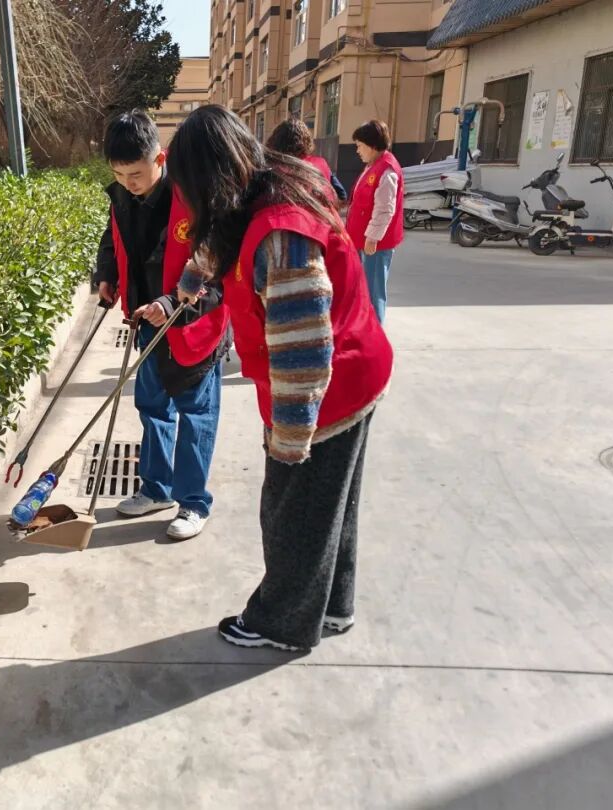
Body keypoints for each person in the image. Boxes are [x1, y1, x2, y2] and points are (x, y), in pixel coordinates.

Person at [167, 105, 392, 652]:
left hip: (330, 386)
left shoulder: (279, 234)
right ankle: (332, 607)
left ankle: (282, 624)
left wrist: (289, 440)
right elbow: (220, 240)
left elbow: (305, 351)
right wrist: (188, 286)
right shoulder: (265, 185)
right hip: (358, 370)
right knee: (331, 508)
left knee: (293, 515)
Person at [93, 111, 232, 540]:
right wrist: (107, 276)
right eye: (119, 174)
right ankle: (156, 489)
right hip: (149, 325)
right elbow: (112, 240)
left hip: (193, 327)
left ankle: (193, 502)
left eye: (135, 173)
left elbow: (216, 277)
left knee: (195, 414)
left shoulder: (196, 197)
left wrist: (171, 303)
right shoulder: (122, 197)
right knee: (152, 408)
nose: (128, 183)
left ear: (160, 158)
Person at [345, 119, 404, 323]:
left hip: (375, 245)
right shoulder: (372, 166)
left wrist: (372, 238)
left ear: (372, 145)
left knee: (374, 290)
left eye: (359, 146)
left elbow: (385, 209)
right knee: (363, 289)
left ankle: (375, 331)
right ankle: (365, 330)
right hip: (363, 240)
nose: (357, 151)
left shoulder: (387, 170)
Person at [266, 116, 347, 202]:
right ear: (307, 141)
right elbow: (342, 194)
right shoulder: (321, 163)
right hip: (321, 209)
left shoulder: (275, 168)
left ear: (276, 141)